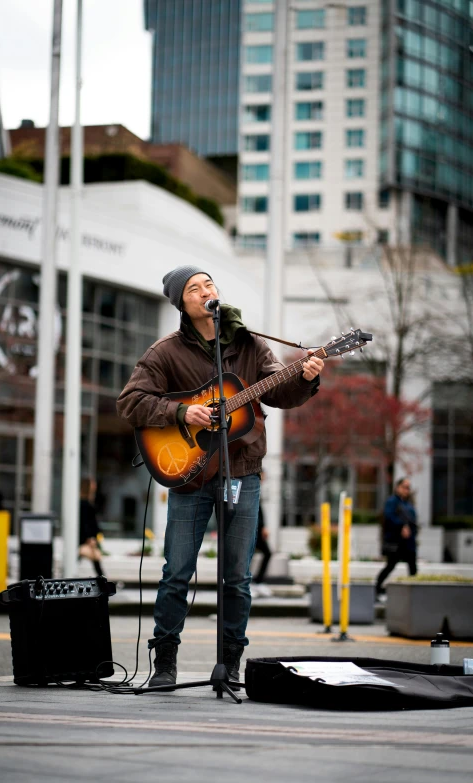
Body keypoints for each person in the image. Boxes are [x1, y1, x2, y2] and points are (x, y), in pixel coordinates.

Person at [116, 266, 324, 689]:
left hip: (241, 472)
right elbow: (131, 401)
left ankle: (229, 665)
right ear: (182, 304)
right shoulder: (165, 352)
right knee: (177, 572)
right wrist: (180, 412)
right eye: (194, 288)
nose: (205, 291)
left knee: (238, 576)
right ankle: (165, 664)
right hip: (189, 476)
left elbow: (276, 392)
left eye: (208, 283)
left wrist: (304, 378)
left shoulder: (249, 342)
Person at [375, 477, 418, 600]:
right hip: (396, 541)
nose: (407, 490)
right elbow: (389, 517)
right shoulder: (392, 501)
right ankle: (377, 588)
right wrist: (401, 526)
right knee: (391, 565)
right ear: (397, 487)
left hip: (409, 542)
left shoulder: (408, 503)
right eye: (404, 487)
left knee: (413, 567)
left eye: (408, 487)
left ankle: (413, 594)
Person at [78, 477, 106, 578]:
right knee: (96, 560)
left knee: (96, 561)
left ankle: (103, 580)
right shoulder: (85, 505)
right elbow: (86, 523)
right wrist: (90, 537)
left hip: (85, 539)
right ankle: (103, 581)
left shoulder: (84, 504)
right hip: (86, 540)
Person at [251, 505, 273, 598]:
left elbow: (259, 509)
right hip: (249, 529)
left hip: (257, 530)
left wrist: (263, 527)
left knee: (267, 553)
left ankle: (258, 581)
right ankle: (246, 583)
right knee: (247, 555)